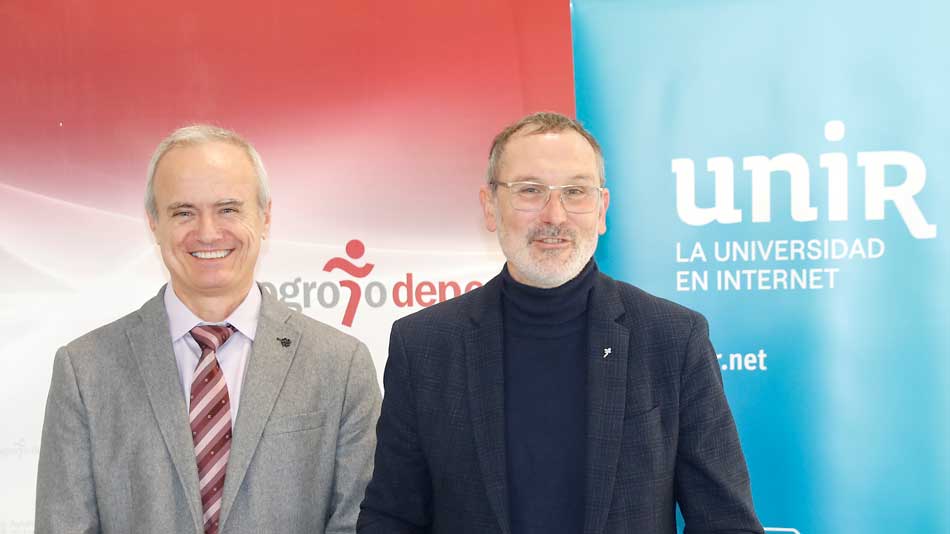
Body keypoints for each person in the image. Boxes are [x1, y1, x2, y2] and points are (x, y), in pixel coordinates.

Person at [358, 112, 763, 534]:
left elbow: (726, 521)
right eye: (530, 191)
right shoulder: (424, 344)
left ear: (601, 209)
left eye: (575, 191)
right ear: (490, 206)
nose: (555, 215)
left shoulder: (673, 338)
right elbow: (392, 517)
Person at [36, 125, 381, 534]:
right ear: (153, 223)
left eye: (229, 209)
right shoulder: (86, 371)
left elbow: (359, 524)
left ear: (265, 217)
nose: (207, 232)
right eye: (183, 212)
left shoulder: (340, 366)